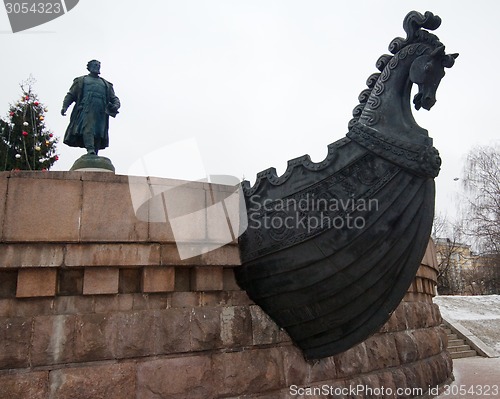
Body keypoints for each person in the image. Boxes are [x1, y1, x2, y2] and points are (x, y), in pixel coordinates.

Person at [61, 60, 120, 155]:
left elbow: (114, 98)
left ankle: (95, 152)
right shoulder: (81, 80)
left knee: (99, 131)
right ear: (89, 67)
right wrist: (65, 106)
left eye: (98, 65)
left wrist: (116, 105)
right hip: (87, 108)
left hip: (101, 110)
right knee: (88, 128)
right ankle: (90, 149)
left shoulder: (106, 84)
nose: (97, 67)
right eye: (95, 65)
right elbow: (71, 95)